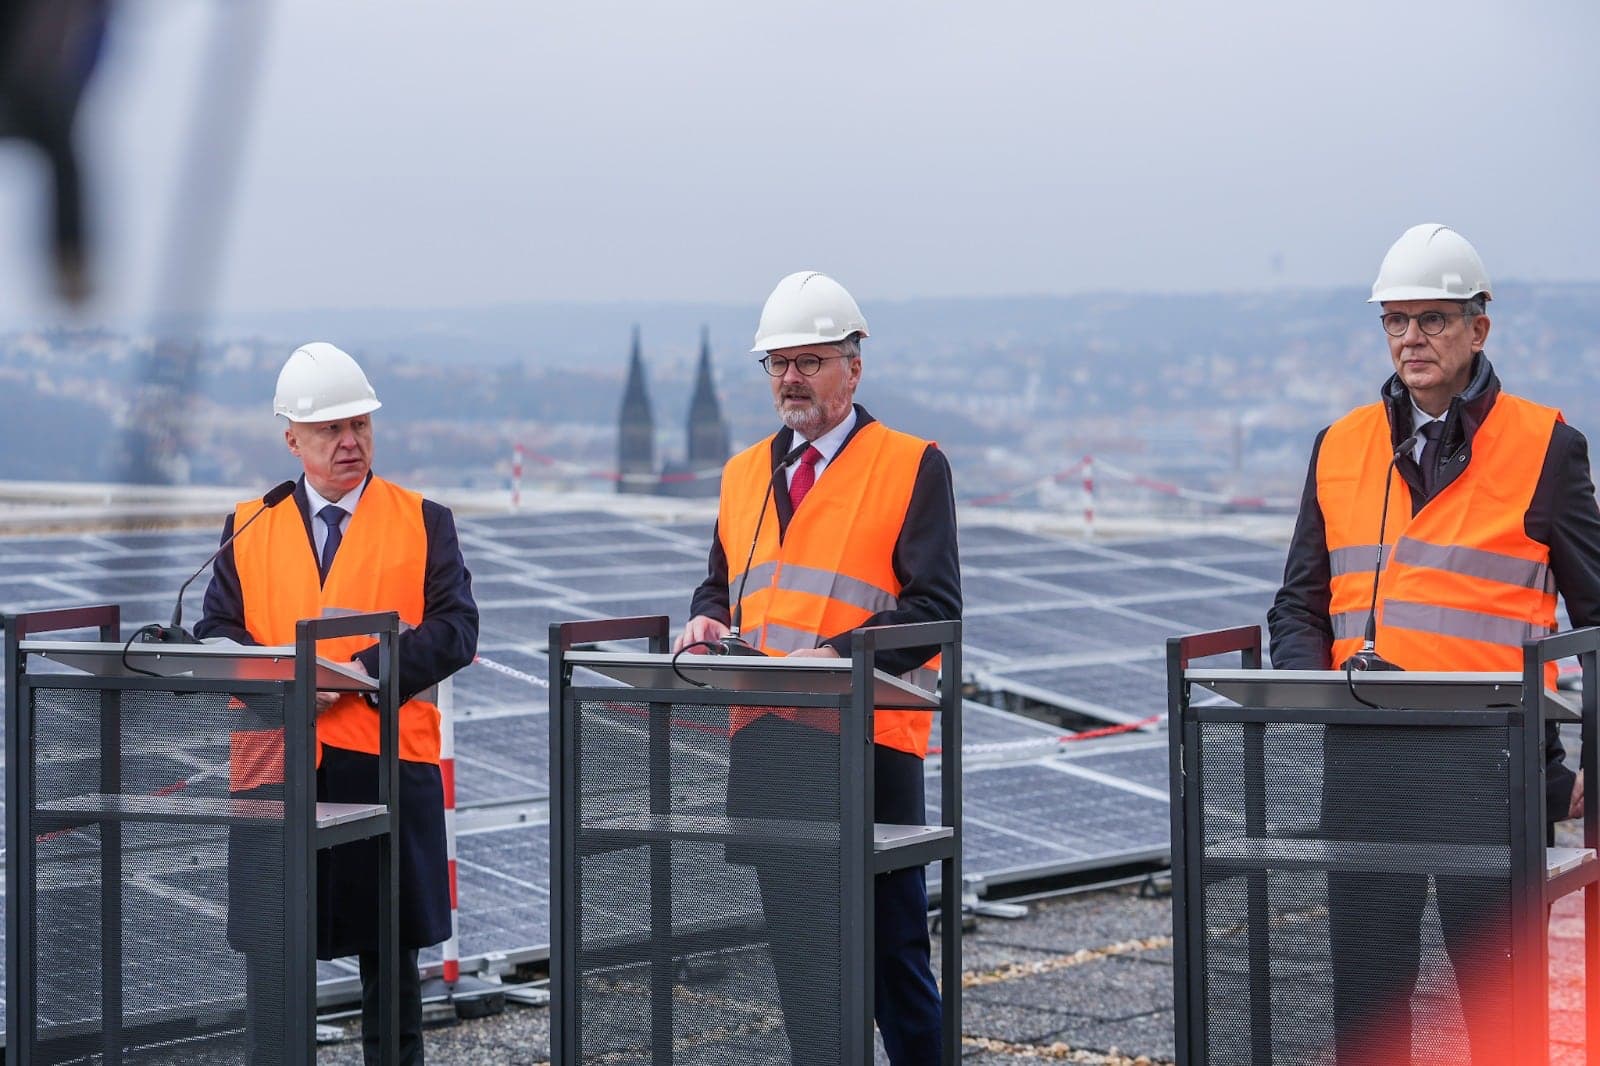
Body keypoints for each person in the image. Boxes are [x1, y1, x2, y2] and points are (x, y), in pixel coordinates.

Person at [1268, 224, 1600, 1063]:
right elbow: (1297, 607)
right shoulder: (1339, 447)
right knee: (1368, 1011)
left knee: (1501, 1010)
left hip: (1489, 769)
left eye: (1432, 319)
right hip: (1365, 768)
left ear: (1478, 328)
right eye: (1395, 320)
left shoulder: (1545, 447)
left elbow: (1597, 617)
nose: (1410, 338)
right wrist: (1315, 695)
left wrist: (1582, 765)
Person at [675, 270, 961, 1064]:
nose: (792, 378)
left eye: (810, 361)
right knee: (802, 967)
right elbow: (721, 581)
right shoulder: (742, 476)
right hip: (766, 745)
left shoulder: (911, 465)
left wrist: (839, 650)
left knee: (892, 959)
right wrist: (708, 618)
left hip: (868, 748)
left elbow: (937, 609)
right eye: (778, 364)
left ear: (853, 366)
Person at [197, 341, 478, 1066]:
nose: (350, 443)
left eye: (360, 426)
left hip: (385, 771)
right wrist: (285, 682)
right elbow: (216, 631)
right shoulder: (249, 524)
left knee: (391, 966)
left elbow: (455, 630)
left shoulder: (424, 520)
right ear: (292, 436)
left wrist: (357, 673)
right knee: (272, 963)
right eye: (331, 430)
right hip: (274, 771)